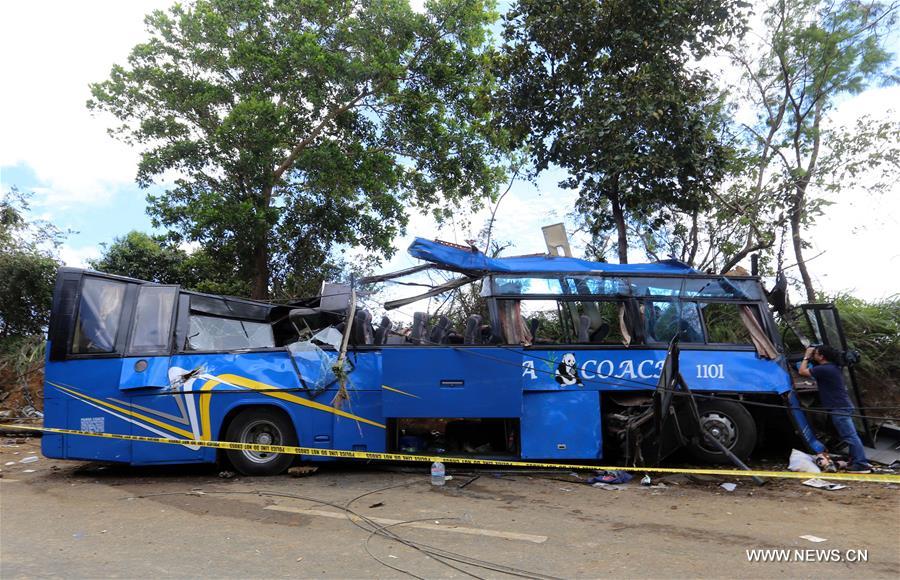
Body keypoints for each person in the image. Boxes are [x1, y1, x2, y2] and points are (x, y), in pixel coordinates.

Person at [798, 345, 872, 473]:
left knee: (850, 437)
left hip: (839, 408)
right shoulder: (832, 367)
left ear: (821, 356)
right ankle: (856, 461)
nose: (814, 355)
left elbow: (802, 371)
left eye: (816, 353)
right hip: (841, 406)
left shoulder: (824, 369)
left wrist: (806, 356)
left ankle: (861, 464)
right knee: (850, 436)